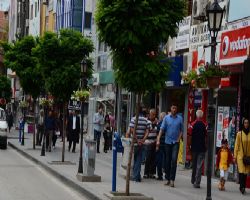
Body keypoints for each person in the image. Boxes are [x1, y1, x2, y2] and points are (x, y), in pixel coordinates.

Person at [156, 104, 183, 187]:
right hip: (167, 142)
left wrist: (178, 138)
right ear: (170, 109)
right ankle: (167, 178)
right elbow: (162, 129)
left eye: (175, 108)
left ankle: (172, 180)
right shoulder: (166, 118)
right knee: (167, 161)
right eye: (173, 108)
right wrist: (158, 139)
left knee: (174, 160)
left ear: (177, 109)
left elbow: (181, 130)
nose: (174, 109)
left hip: (175, 142)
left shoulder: (180, 118)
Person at [127, 107, 149, 182]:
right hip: (141, 143)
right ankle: (137, 175)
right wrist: (143, 140)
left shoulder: (133, 119)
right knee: (139, 159)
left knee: (134, 159)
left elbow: (132, 130)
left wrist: (137, 139)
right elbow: (147, 131)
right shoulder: (146, 120)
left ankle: (135, 176)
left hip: (135, 142)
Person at [188, 109, 207, 188]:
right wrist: (206, 146)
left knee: (195, 164)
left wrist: (189, 145)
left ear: (196, 115)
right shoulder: (205, 125)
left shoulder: (192, 124)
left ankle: (193, 180)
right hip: (202, 148)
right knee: (199, 165)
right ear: (202, 116)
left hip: (194, 148)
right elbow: (207, 137)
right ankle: (197, 182)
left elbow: (189, 136)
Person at [234, 118, 250, 194]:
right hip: (240, 156)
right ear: (243, 124)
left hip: (248, 157)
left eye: (247, 123)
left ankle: (243, 186)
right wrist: (235, 156)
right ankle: (242, 187)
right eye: (245, 123)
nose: (246, 124)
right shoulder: (239, 134)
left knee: (245, 172)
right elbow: (236, 146)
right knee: (241, 171)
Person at [144, 109, 158, 179]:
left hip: (154, 141)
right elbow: (149, 129)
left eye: (155, 114)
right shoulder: (147, 121)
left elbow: (158, 130)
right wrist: (153, 124)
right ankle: (146, 173)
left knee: (154, 158)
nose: (154, 115)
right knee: (148, 158)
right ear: (150, 114)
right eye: (153, 114)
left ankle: (152, 173)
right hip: (148, 141)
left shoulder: (157, 121)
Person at [155, 112, 166, 180]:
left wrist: (157, 144)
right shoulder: (168, 124)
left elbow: (157, 135)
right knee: (167, 159)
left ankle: (160, 175)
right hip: (167, 143)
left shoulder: (159, 124)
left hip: (160, 144)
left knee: (159, 159)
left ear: (161, 117)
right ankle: (167, 174)